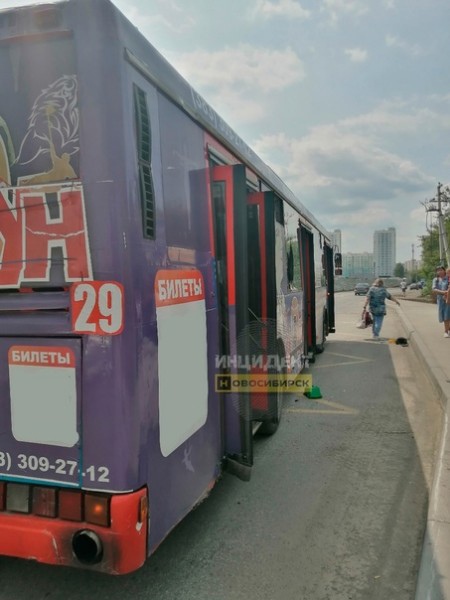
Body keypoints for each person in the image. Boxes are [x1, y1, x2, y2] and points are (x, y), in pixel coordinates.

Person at [432, 265, 450, 337]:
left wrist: (447, 293)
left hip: (448, 300)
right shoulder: (436, 279)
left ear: (444, 270)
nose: (439, 271)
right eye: (438, 270)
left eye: (441, 270)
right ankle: (448, 329)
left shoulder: (448, 278)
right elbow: (434, 289)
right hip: (440, 300)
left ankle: (446, 331)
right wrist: (443, 292)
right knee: (443, 315)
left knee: (447, 315)